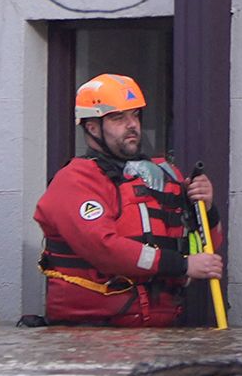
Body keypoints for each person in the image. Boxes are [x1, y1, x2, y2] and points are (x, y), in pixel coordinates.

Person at [31, 73, 222, 327]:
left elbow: (204, 246)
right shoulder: (74, 181)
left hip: (158, 328)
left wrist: (206, 209)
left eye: (134, 115)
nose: (131, 124)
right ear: (92, 127)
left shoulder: (163, 174)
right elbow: (105, 249)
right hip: (91, 331)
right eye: (117, 118)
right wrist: (182, 265)